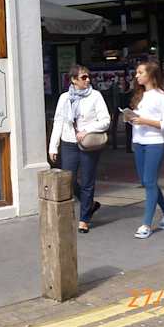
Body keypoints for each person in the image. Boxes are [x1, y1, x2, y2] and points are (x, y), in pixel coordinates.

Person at [49, 64, 110, 233]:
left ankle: (84, 219)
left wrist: (87, 130)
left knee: (88, 181)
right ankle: (89, 204)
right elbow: (58, 122)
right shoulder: (64, 98)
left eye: (88, 76)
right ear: (73, 80)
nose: (88, 80)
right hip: (69, 142)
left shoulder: (95, 96)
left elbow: (105, 120)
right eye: (83, 77)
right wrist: (53, 146)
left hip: (88, 143)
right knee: (68, 179)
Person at [129, 60, 164, 239]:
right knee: (147, 181)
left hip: (155, 143)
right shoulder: (140, 95)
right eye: (136, 72)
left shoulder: (161, 97)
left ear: (151, 75)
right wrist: (132, 119)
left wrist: (144, 121)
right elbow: (139, 120)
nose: (137, 76)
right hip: (138, 142)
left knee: (149, 181)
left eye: (140, 72)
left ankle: (146, 224)